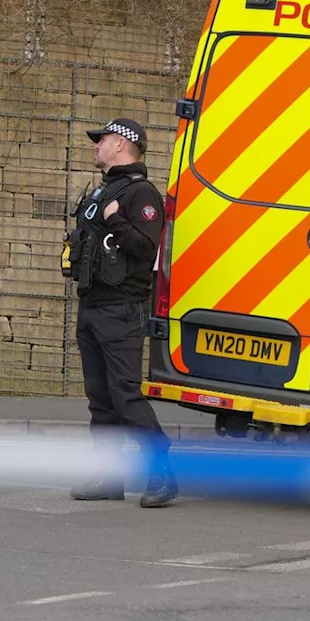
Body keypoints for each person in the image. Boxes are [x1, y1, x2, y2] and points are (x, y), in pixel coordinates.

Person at [65, 118, 178, 508]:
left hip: (122, 309)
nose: (96, 146)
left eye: (103, 140)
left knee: (125, 395)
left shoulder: (141, 194)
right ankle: (110, 477)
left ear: (122, 144)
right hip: (93, 305)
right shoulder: (103, 191)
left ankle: (162, 473)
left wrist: (115, 217)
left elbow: (147, 248)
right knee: (101, 399)